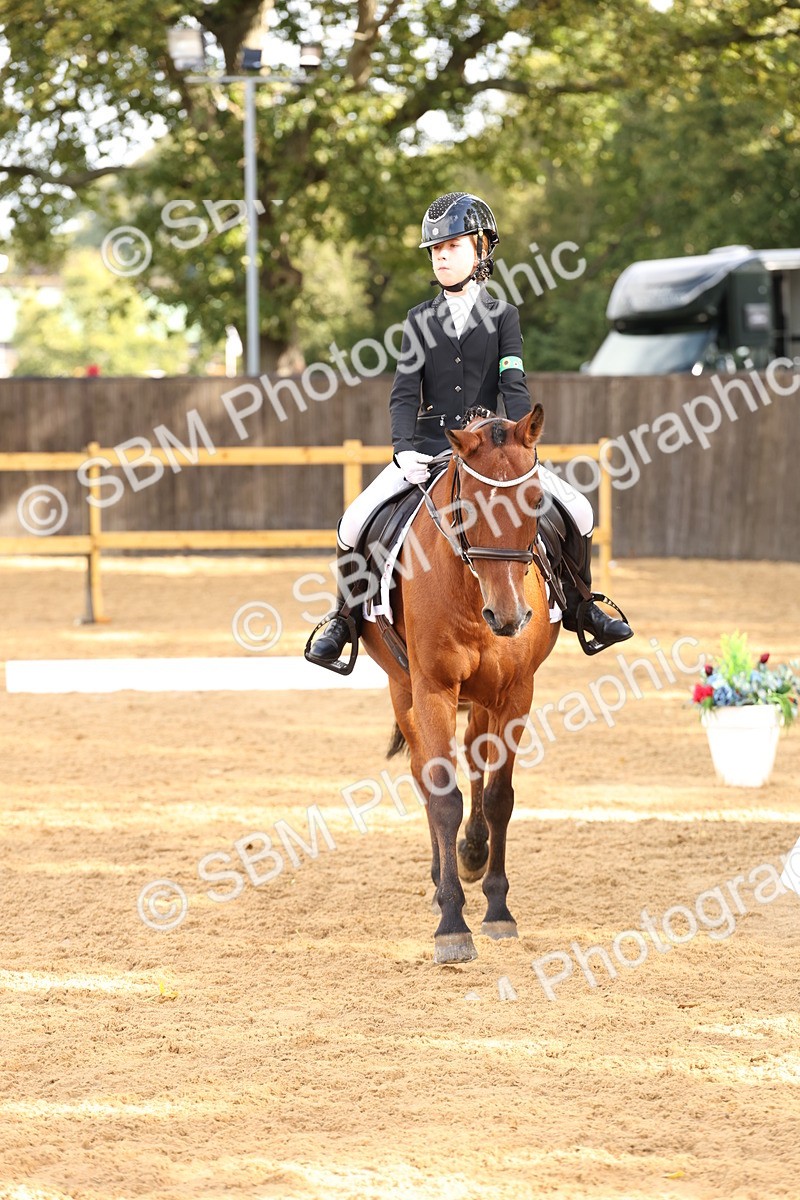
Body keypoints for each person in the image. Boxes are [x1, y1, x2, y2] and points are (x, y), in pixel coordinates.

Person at [306, 191, 632, 666]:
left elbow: (513, 383)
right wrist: (402, 449)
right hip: (429, 449)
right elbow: (403, 393)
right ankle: (343, 621)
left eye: (452, 246)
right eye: (436, 250)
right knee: (354, 520)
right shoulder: (419, 320)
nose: (441, 256)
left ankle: (582, 606)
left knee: (579, 510)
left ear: (481, 249)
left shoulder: (503, 317)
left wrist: (522, 441)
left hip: (492, 449)